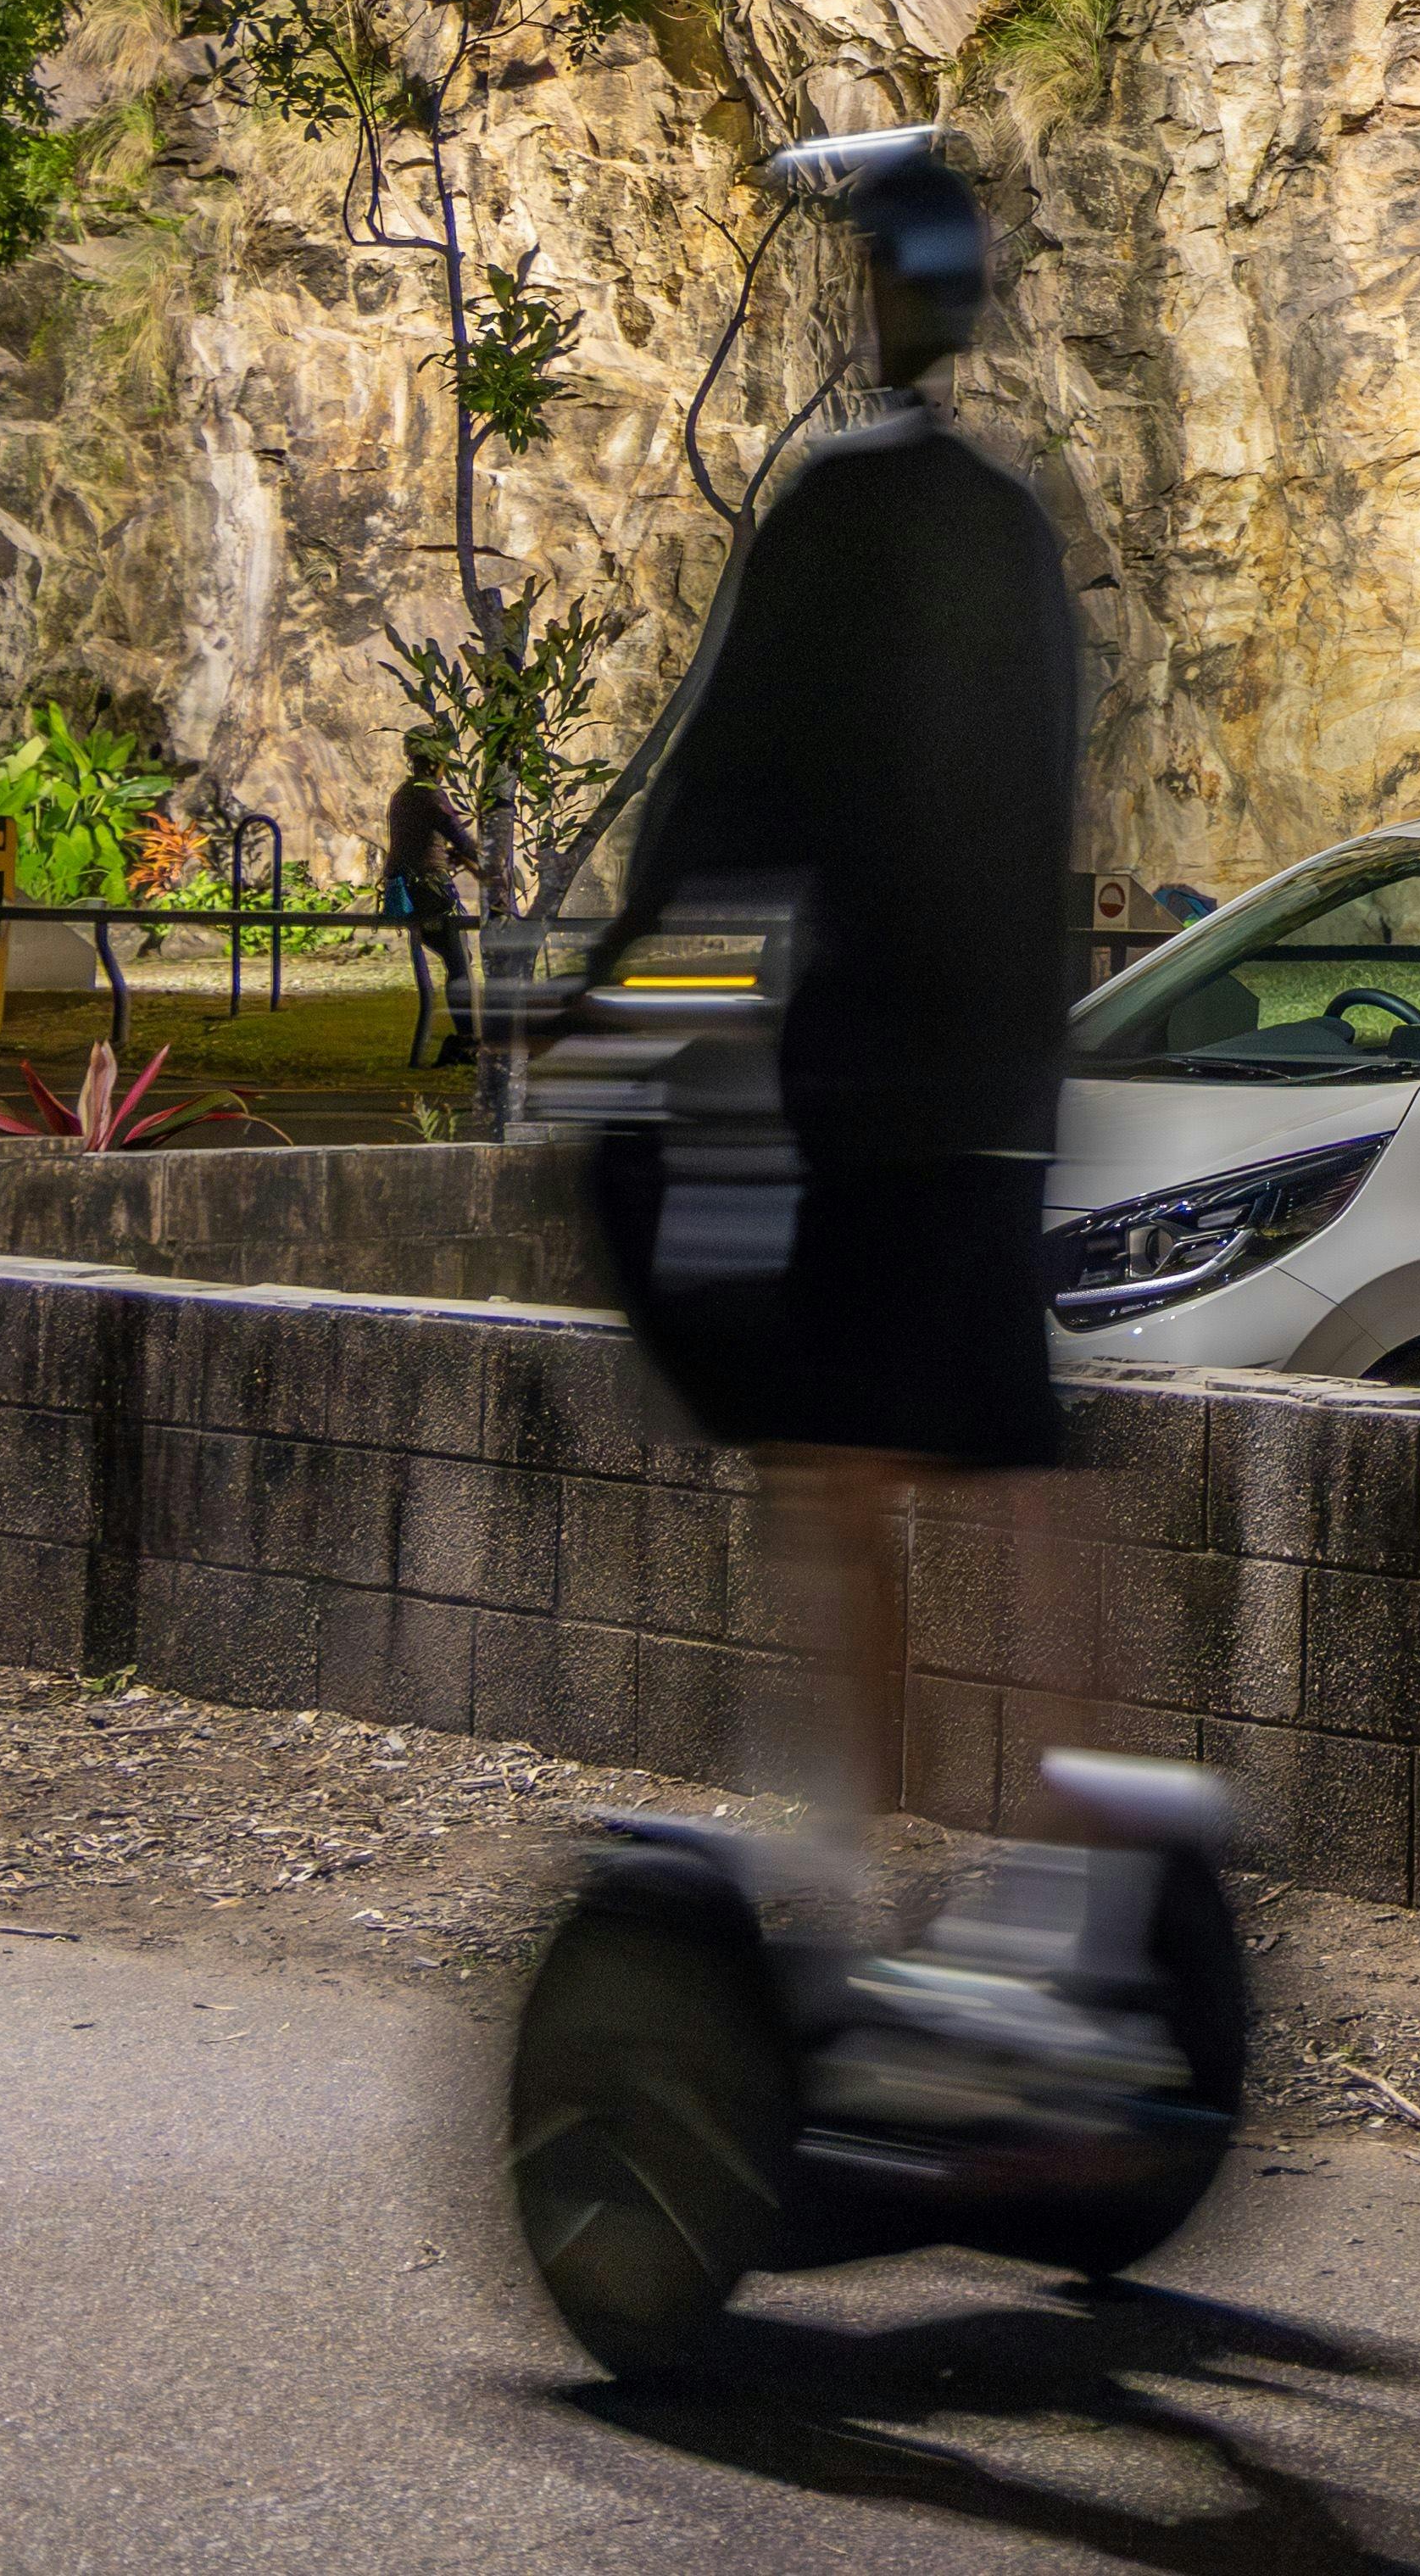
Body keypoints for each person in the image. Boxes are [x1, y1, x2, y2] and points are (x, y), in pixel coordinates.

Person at [565, 128, 1097, 1911]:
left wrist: (627, 1025)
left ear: (879, 299)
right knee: (1015, 1469)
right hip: (996, 1089)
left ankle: (857, 1865)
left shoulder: (838, 514)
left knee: (836, 1472)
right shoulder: (1014, 529)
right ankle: (1087, 1872)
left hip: (861, 1089)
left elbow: (734, 802)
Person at [380, 736, 476, 1067]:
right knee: (460, 967)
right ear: (437, 764)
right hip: (431, 892)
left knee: (455, 963)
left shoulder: (402, 795)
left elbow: (417, 841)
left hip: (404, 890)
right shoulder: (432, 797)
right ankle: (466, 1043)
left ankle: (463, 1041)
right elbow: (461, 839)